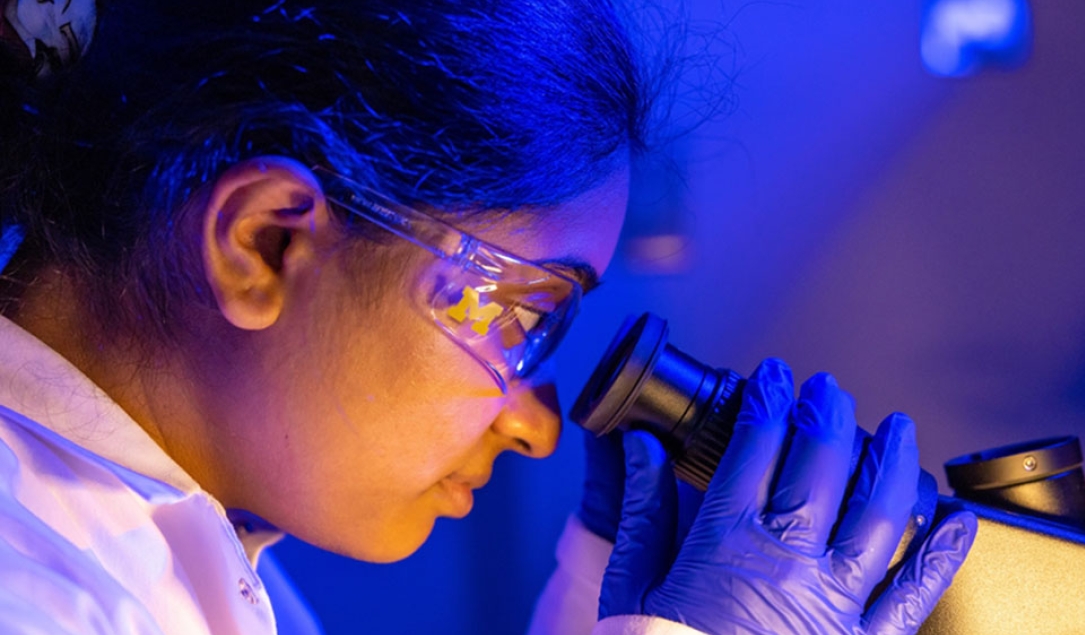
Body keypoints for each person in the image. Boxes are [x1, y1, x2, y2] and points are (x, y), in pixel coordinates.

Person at [0, 1, 976, 633]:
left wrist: (595, 614)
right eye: (522, 315)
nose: (535, 420)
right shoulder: (31, 589)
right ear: (264, 242)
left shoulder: (185, 541)